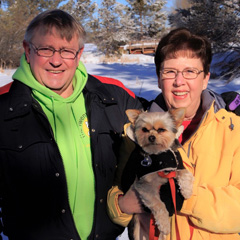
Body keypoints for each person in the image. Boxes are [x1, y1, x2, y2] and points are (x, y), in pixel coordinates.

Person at [0, 9, 142, 240]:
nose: (56, 61)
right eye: (45, 49)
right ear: (28, 50)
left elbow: (164, 125)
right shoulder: (4, 108)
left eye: (66, 51)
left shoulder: (114, 97)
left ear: (79, 54)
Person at [107, 28, 240, 240]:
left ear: (205, 78)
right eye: (169, 71)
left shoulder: (233, 130)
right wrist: (121, 205)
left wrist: (185, 198)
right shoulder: (135, 134)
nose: (179, 82)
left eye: (190, 71)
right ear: (159, 79)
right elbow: (117, 191)